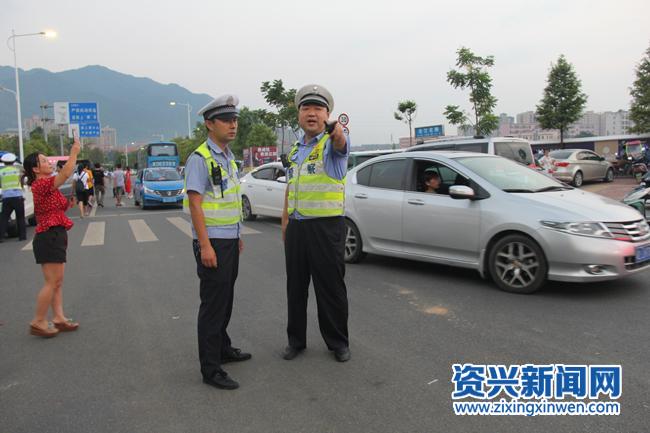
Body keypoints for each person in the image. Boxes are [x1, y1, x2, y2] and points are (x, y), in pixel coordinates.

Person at [184, 94, 251, 390]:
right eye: (226, 120)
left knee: (226, 300)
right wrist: (205, 245)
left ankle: (223, 348)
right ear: (210, 124)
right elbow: (195, 204)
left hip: (229, 239)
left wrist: (237, 234)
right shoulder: (200, 159)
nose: (232, 125)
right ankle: (211, 369)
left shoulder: (228, 158)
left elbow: (229, 199)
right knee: (213, 305)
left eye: (234, 119)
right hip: (212, 242)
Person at [281, 84, 351, 363]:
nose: (312, 113)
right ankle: (295, 341)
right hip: (297, 228)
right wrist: (285, 222)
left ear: (327, 114)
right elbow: (291, 187)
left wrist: (338, 133)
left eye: (318, 109)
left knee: (330, 288)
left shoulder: (331, 144)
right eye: (306, 108)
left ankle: (338, 343)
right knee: (295, 288)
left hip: (326, 227)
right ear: (299, 114)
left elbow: (340, 143)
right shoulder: (295, 150)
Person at [22, 135, 82, 337]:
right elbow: (65, 173)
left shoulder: (49, 185)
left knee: (57, 281)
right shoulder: (40, 185)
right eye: (44, 161)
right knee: (52, 282)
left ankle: (58, 318)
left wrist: (68, 204)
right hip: (49, 236)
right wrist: (74, 152)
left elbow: (57, 206)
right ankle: (38, 320)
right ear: (35, 169)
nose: (49, 163)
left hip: (56, 234)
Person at [0, 152, 26, 242]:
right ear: (14, 161)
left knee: (4, 218)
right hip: (17, 196)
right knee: (20, 217)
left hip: (6, 197)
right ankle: (22, 237)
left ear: (3, 162)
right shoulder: (18, 170)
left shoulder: (1, 171)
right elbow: (23, 179)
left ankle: (1, 237)